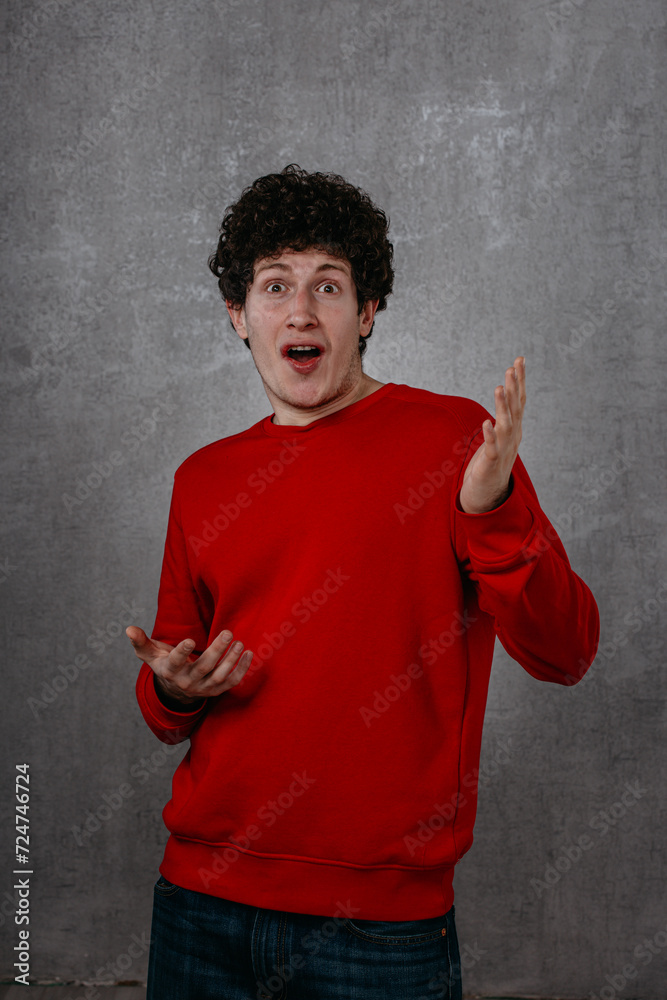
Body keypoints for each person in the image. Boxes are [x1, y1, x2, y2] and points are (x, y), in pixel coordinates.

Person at [126, 164, 599, 1000]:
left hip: (377, 929)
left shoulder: (457, 441)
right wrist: (173, 687)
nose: (300, 310)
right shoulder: (201, 478)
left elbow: (566, 652)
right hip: (200, 905)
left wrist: (491, 514)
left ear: (366, 310)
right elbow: (169, 701)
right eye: (274, 286)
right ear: (239, 316)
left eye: (328, 286)